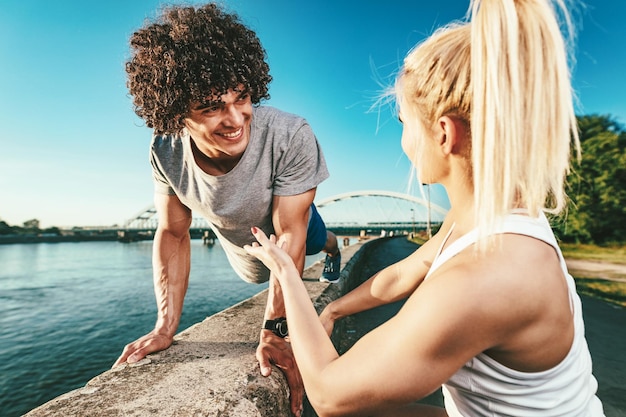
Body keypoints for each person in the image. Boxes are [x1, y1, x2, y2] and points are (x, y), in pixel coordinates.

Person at [244, 0, 606, 416]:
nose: (404, 144)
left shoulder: (485, 279)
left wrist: (287, 272)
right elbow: (406, 271)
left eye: (404, 124)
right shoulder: (490, 215)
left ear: (443, 133)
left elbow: (327, 394)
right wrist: (334, 308)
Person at [112, 3, 341, 416]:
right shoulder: (165, 150)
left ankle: (336, 248)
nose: (236, 119)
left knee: (314, 238)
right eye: (211, 106)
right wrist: (165, 326)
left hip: (288, 227)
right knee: (255, 269)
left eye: (242, 97)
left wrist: (274, 330)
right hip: (240, 241)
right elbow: (173, 232)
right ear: (176, 112)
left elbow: (290, 233)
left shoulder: (291, 135)